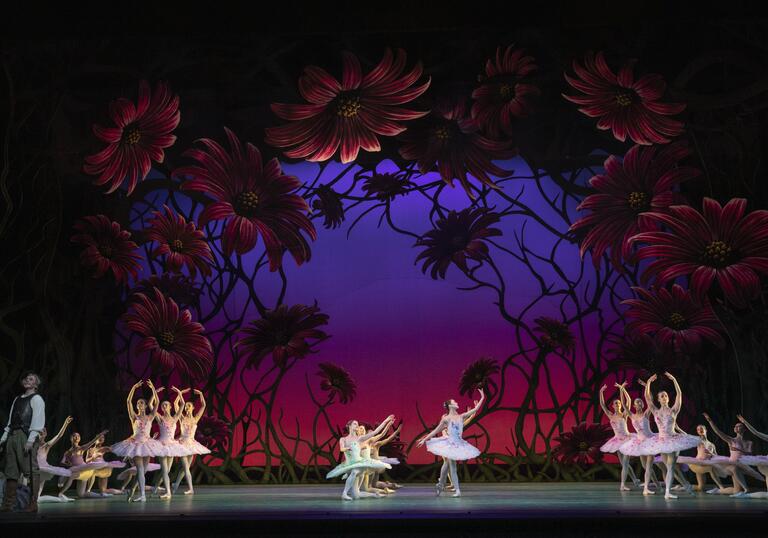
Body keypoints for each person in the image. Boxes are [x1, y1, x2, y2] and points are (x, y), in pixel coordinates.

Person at [417, 388, 485, 498]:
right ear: (450, 406)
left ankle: (440, 484)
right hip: (449, 444)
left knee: (448, 465)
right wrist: (424, 439)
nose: (457, 403)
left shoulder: (461, 416)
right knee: (451, 466)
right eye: (455, 402)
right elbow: (435, 431)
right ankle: (456, 490)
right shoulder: (446, 419)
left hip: (459, 444)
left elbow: (476, 409)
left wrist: (482, 397)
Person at [644, 373, 699, 499]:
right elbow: (647, 397)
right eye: (662, 396)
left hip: (673, 440)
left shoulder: (674, 410)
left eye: (666, 396)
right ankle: (685, 484)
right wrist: (648, 383)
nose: (664, 397)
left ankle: (668, 492)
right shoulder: (655, 411)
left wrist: (674, 380)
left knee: (671, 466)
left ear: (668, 399)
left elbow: (679, 395)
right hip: (661, 440)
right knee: (669, 467)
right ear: (658, 399)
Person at [110, 380, 164, 503]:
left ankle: (132, 490)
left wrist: (153, 389)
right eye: (138, 403)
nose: (139, 404)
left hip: (147, 444)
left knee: (142, 472)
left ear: (145, 406)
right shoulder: (134, 416)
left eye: (141, 403)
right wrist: (134, 387)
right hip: (136, 444)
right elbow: (128, 401)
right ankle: (143, 495)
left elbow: (157, 403)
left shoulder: (150, 416)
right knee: (140, 470)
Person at [1, 372, 46, 513]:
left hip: (26, 436)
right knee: (11, 471)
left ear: (36, 384)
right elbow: (10, 421)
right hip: (13, 435)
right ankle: (8, 503)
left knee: (31, 470)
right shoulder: (17, 399)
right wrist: (3, 438)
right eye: (26, 378)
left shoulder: (37, 399)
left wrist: (31, 440)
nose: (27, 380)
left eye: (31, 379)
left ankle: (33, 503)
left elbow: (37, 421)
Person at [327, 416, 394, 501]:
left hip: (359, 463)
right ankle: (372, 495)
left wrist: (386, 421)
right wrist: (348, 448)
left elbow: (376, 432)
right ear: (349, 426)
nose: (357, 425)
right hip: (348, 464)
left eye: (357, 424)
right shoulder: (343, 439)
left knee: (355, 480)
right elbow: (341, 449)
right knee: (355, 489)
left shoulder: (359, 438)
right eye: (355, 424)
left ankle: (348, 493)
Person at [598, 384, 638, 491]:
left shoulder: (624, 414)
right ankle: (634, 479)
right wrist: (601, 392)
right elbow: (602, 404)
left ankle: (622, 485)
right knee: (624, 464)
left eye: (619, 403)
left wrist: (622, 389)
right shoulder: (610, 415)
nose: (618, 404)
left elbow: (628, 401)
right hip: (617, 441)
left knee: (625, 463)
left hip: (627, 440)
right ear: (613, 406)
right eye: (616, 403)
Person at [172, 388, 211, 495]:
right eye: (185, 406)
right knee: (185, 467)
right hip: (183, 444)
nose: (186, 407)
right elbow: (176, 404)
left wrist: (201, 393)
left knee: (186, 468)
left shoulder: (195, 418)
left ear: (193, 408)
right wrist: (180, 393)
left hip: (191, 444)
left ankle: (176, 485)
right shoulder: (182, 418)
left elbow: (203, 405)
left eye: (189, 406)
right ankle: (191, 489)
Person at [35, 416, 75, 503]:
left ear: (45, 434)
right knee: (36, 498)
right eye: (39, 433)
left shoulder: (46, 446)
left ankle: (61, 499)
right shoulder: (33, 444)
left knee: (37, 498)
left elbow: (59, 436)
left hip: (44, 469)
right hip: (35, 469)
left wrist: (65, 424)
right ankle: (61, 499)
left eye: (42, 433)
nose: (40, 435)